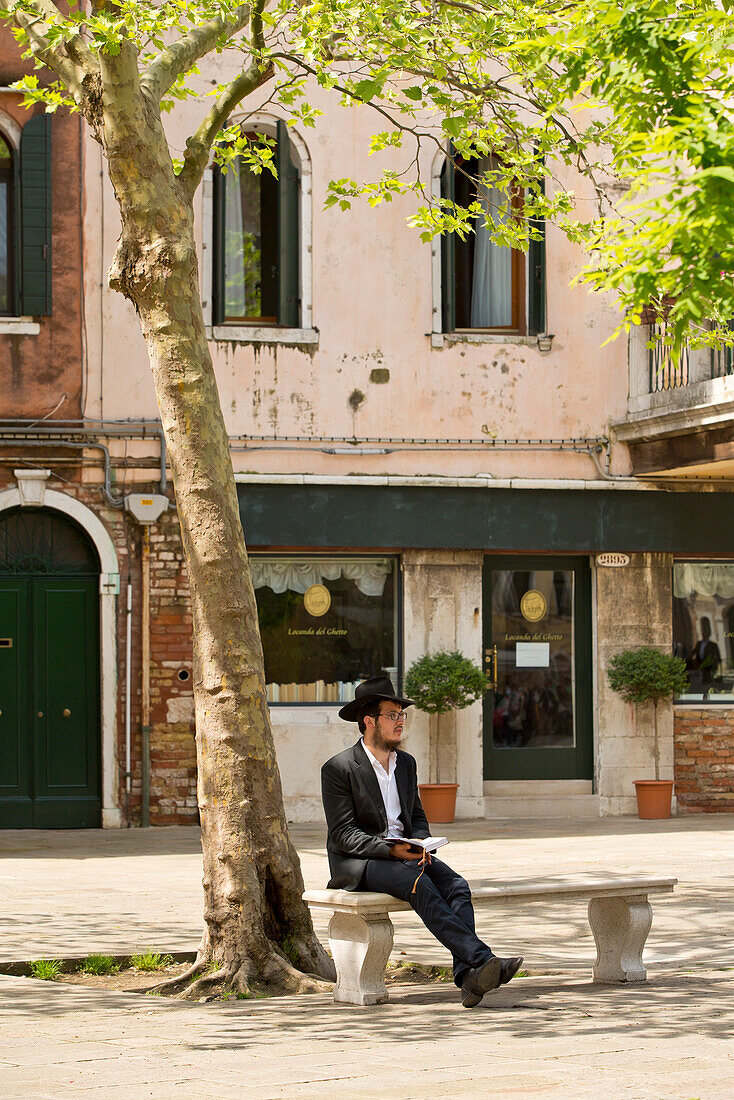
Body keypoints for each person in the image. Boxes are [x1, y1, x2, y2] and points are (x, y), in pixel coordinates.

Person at [320, 675, 523, 1008]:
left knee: (456, 885)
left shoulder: (406, 764)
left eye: (402, 714)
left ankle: (470, 976)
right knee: (419, 884)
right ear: (369, 721)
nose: (401, 721)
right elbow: (344, 834)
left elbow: (415, 817)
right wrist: (391, 849)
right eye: (392, 715)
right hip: (361, 861)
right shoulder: (340, 768)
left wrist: (422, 842)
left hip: (407, 853)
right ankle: (484, 960)